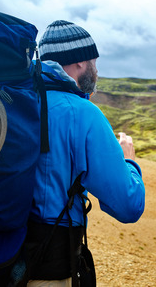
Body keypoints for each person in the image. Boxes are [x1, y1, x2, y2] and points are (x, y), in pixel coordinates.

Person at [23, 20, 146, 286]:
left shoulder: (19, 98)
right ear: (79, 62)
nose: (96, 70)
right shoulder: (83, 114)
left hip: (2, 259)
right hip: (49, 267)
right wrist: (128, 160)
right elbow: (128, 205)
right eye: (94, 61)